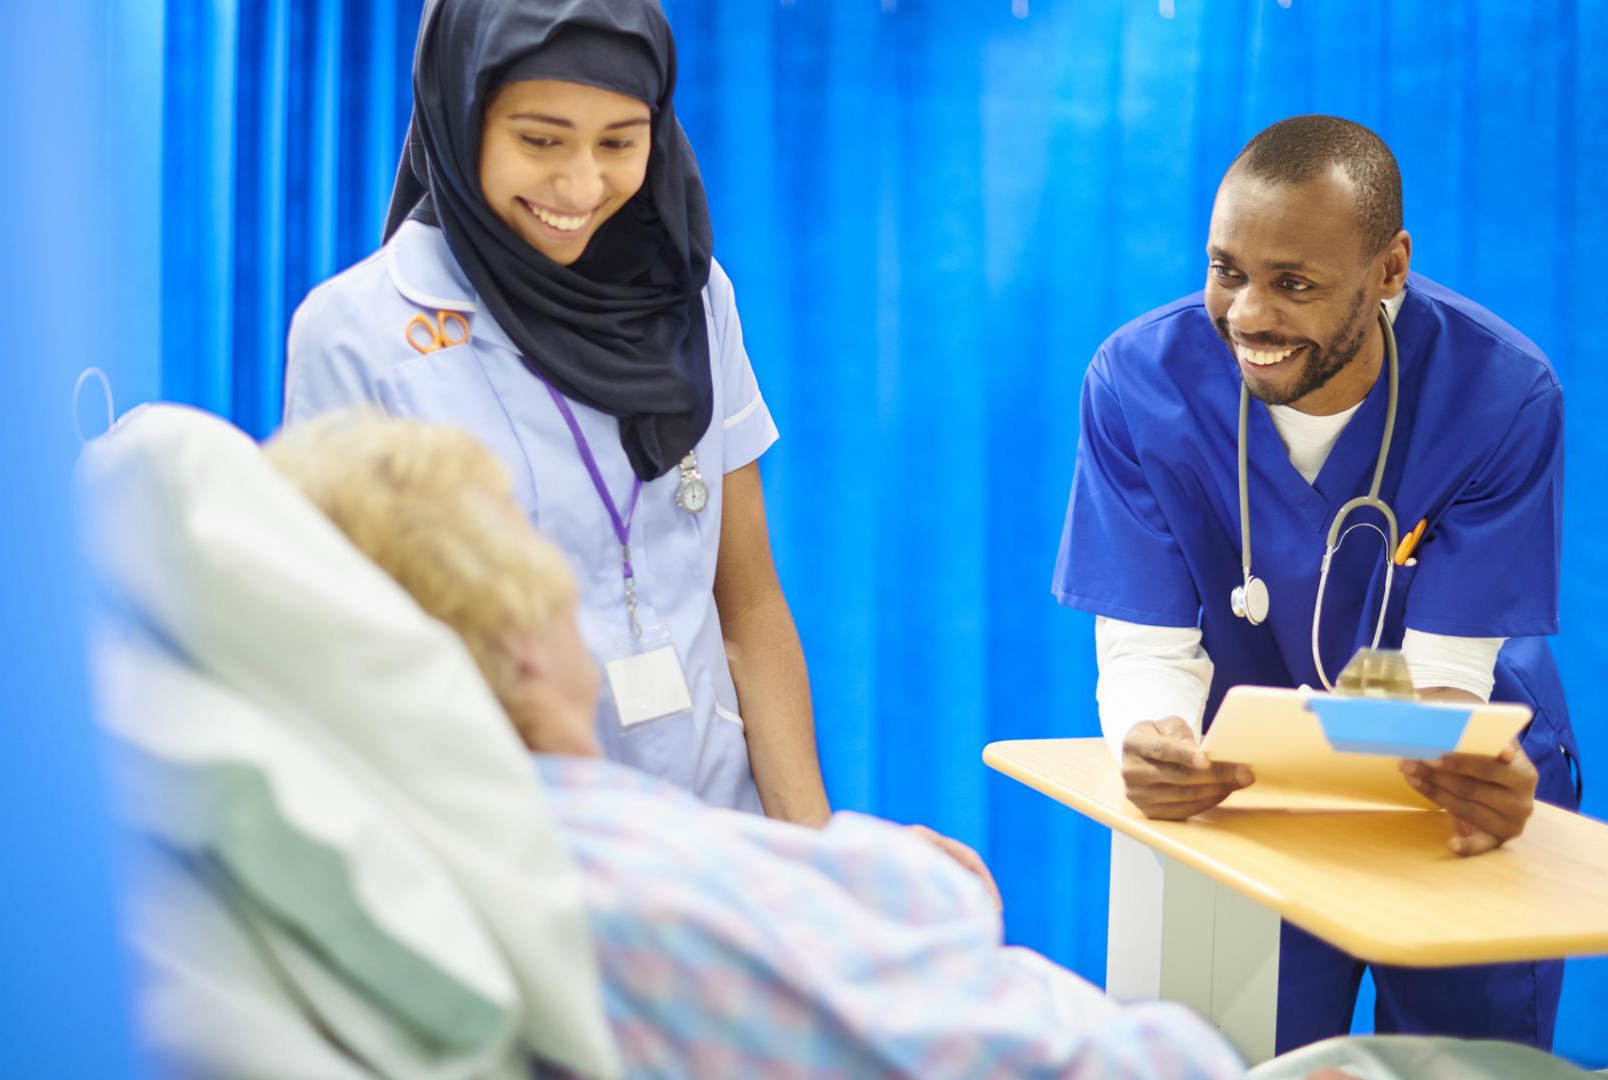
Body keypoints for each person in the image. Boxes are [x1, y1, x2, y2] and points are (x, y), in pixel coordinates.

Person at [263, 411, 1238, 1078]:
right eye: (543, 562)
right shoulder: (630, 888)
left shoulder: (431, 854)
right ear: (519, 643)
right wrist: (893, 892)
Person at [1053, 115, 1581, 1052]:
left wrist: (1458, 761)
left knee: (1457, 1068)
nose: (1249, 316)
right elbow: (1145, 644)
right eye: (1227, 271)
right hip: (1246, 790)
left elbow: (1447, 682)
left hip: (1447, 783)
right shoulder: (1140, 384)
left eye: (1294, 283)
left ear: (1388, 270)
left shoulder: (1498, 394)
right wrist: (1153, 741)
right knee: (1243, 1054)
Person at [283, 0, 826, 824]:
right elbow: (346, 665)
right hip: (510, 855)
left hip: (717, 839)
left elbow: (747, 605)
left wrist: (816, 867)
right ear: (460, 119)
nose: (580, 186)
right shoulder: (361, 332)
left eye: (619, 142)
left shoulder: (694, 298)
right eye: (540, 140)